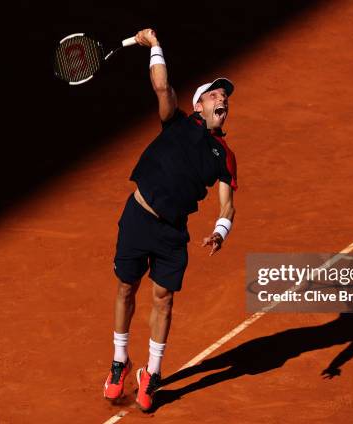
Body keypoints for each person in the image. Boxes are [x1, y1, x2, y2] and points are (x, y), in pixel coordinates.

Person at [103, 28, 238, 412]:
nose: (222, 98)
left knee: (163, 299)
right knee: (126, 288)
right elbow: (162, 88)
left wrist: (219, 230)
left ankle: (152, 374)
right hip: (138, 216)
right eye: (214, 94)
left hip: (172, 233)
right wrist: (155, 46)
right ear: (198, 106)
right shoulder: (176, 122)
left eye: (224, 95)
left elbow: (227, 204)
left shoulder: (224, 155)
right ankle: (119, 363)